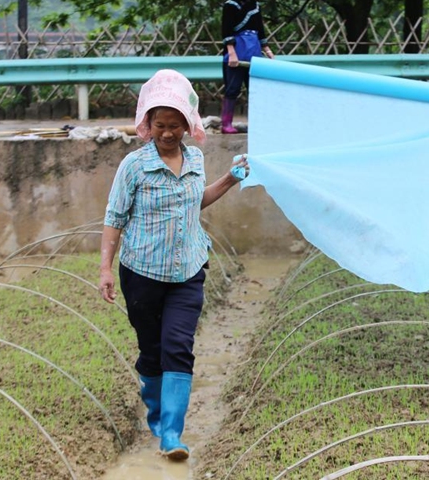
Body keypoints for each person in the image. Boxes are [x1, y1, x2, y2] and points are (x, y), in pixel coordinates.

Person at [98, 69, 248, 460]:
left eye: (175, 125)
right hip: (142, 274)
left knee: (178, 347)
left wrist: (229, 180)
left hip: (188, 270)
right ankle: (157, 415)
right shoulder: (134, 166)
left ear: (188, 124)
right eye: (159, 125)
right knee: (151, 351)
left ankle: (172, 435)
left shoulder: (195, 158)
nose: (167, 133)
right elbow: (114, 218)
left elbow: (194, 201)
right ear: (147, 125)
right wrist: (104, 269)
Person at [221, 0, 275, 134]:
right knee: (232, 88)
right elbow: (226, 29)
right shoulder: (230, 5)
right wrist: (232, 52)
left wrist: (267, 50)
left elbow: (260, 30)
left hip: (253, 50)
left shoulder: (254, 5)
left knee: (255, 88)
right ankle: (226, 123)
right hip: (237, 49)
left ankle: (258, 123)